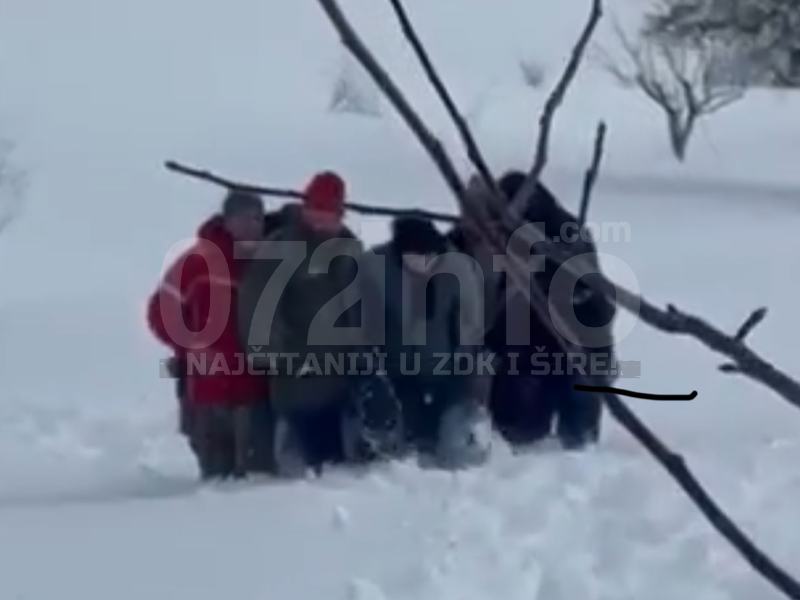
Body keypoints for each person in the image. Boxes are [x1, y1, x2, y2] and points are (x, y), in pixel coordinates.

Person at [236, 171, 403, 477]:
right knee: (320, 470)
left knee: (359, 465)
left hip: (348, 377)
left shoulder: (351, 248)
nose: (323, 221)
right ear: (306, 208)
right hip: (301, 379)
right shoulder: (281, 249)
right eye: (317, 211)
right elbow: (258, 308)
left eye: (330, 214)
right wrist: (277, 357)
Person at [479, 170, 617, 449]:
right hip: (525, 341)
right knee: (521, 428)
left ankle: (576, 441)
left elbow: (596, 302)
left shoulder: (566, 232)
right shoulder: (498, 236)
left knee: (577, 413)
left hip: (571, 336)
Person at [147, 190, 270, 480]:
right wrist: (189, 346)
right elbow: (160, 312)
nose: (251, 226)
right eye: (243, 218)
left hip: (256, 392)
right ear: (227, 221)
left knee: (257, 481)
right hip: (207, 390)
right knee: (216, 480)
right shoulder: (197, 262)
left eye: (257, 219)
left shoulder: (268, 262)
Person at [366, 215, 492, 469]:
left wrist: (470, 376)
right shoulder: (375, 269)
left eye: (431, 256)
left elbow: (471, 326)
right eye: (417, 257)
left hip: (449, 374)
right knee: (394, 453)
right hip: (397, 376)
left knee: (457, 454)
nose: (425, 263)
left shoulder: (458, 269)